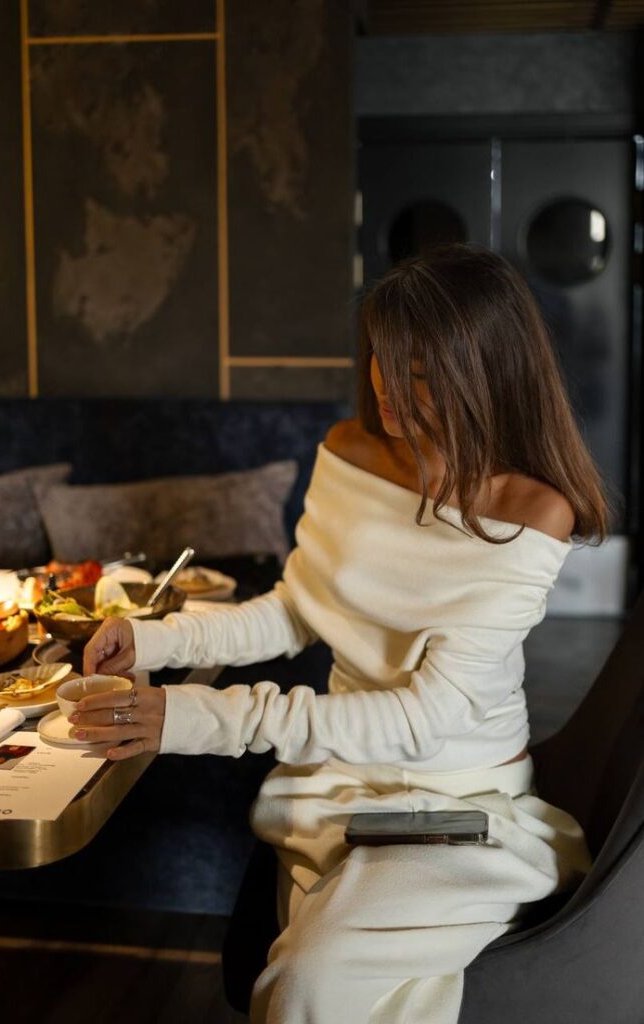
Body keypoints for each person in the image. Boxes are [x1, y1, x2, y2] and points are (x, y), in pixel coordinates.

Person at [75, 244, 609, 1024]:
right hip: (335, 787)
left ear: (487, 371)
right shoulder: (348, 449)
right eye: (382, 362)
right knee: (308, 970)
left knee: (307, 976)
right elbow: (297, 608)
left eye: (419, 372)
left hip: (460, 804)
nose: (387, 391)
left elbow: (423, 717)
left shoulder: (533, 510)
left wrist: (196, 720)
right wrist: (158, 640)